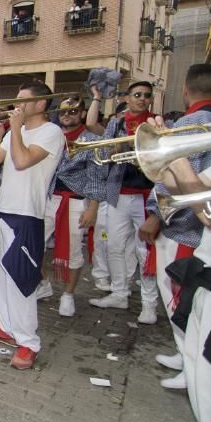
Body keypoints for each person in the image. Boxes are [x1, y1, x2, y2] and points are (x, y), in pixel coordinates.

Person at [0, 82, 65, 370]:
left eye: (24, 101)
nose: (17, 106)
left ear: (41, 104)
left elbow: (23, 160)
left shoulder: (52, 133)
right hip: (3, 210)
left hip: (27, 215)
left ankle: (28, 342)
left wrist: (14, 131)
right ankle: (6, 325)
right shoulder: (18, 132)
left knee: (20, 280)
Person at [145, 65, 211, 389]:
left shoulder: (188, 124)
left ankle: (191, 366)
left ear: (186, 90)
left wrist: (155, 214)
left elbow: (185, 186)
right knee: (185, 301)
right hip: (194, 225)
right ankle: (185, 354)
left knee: (180, 298)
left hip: (183, 228)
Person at [86, 81, 158, 324]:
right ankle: (119, 293)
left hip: (146, 194)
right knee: (114, 246)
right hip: (118, 192)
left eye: (147, 96)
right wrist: (115, 147)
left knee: (144, 250)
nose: (142, 99)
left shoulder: (156, 123)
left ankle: (149, 304)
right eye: (137, 94)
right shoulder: (116, 123)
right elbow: (104, 155)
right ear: (127, 98)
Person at [36, 98, 103, 317]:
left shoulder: (91, 140)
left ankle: (68, 294)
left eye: (73, 111)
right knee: (33, 245)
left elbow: (96, 177)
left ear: (82, 114)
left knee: (74, 250)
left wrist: (92, 207)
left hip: (76, 202)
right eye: (64, 111)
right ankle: (44, 284)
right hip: (47, 198)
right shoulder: (52, 135)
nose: (67, 114)